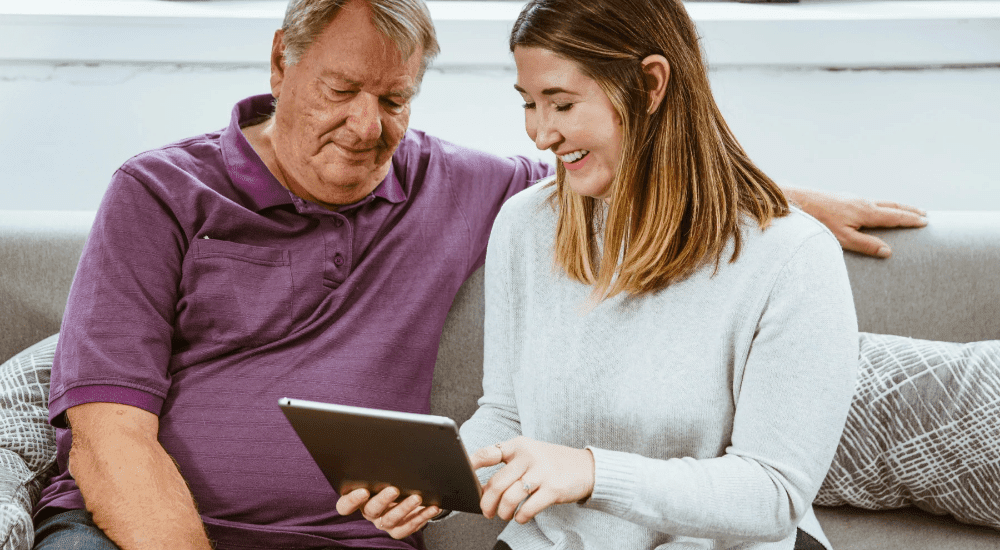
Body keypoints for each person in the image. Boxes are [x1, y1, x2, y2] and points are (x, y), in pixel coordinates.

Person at [34, 0, 922, 549]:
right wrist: (442, 471)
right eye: (341, 89)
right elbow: (109, 436)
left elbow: (656, 176)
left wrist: (780, 200)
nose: (366, 124)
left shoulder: (481, 191)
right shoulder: (161, 192)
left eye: (394, 99)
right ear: (280, 63)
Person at [343, 1, 862, 549]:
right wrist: (438, 485)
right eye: (529, 105)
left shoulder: (792, 257)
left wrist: (592, 473)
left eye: (562, 104)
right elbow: (507, 414)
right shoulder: (525, 226)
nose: (541, 135)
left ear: (651, 84)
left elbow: (774, 493)